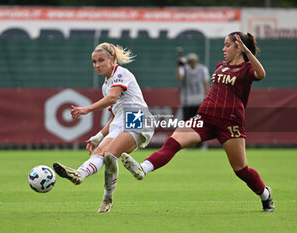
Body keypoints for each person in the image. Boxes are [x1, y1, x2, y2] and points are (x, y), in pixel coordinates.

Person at [121, 32, 274, 212]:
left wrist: (248, 53)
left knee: (241, 169)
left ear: (238, 47)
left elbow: (261, 74)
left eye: (227, 45)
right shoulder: (220, 66)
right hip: (205, 118)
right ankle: (143, 169)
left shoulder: (247, 68)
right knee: (173, 142)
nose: (224, 49)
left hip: (230, 122)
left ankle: (265, 194)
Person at [53, 42, 154, 213]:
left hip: (138, 118)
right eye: (94, 62)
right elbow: (115, 115)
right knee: (99, 153)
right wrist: (99, 136)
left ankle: (107, 198)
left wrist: (86, 109)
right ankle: (79, 174)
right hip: (121, 122)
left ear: (112, 60)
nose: (97, 65)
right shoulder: (105, 85)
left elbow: (113, 99)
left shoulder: (122, 73)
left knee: (109, 154)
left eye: (101, 61)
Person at [176, 52, 210, 121]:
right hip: (187, 102)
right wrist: (179, 66)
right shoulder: (184, 69)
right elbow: (179, 77)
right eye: (190, 61)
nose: (192, 63)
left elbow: (206, 84)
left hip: (199, 101)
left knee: (199, 122)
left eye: (193, 61)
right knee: (187, 122)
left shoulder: (203, 69)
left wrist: (207, 98)